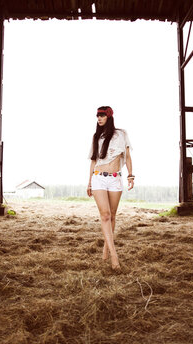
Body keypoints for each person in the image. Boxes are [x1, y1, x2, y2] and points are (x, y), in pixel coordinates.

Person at [87, 106, 134, 270]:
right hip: (99, 178)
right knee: (105, 215)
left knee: (112, 215)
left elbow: (127, 156)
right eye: (97, 116)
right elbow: (93, 160)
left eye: (102, 116)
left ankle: (105, 250)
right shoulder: (96, 137)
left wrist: (130, 175)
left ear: (109, 117)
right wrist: (89, 182)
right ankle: (114, 256)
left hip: (116, 179)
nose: (99, 119)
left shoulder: (122, 134)